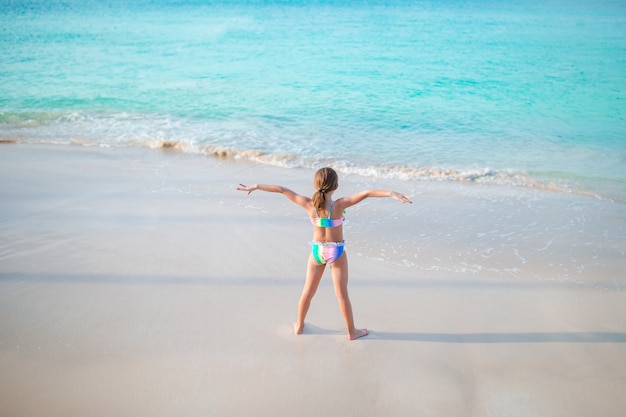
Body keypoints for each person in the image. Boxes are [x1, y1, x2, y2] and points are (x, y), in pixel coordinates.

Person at [237, 167, 412, 340]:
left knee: (308, 291)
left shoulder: (308, 204)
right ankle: (352, 332)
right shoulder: (340, 204)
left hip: (317, 251)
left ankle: (299, 325)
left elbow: (282, 190)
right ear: (336, 185)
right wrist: (391, 193)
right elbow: (366, 193)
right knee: (342, 295)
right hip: (336, 251)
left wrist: (256, 186)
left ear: (315, 184)